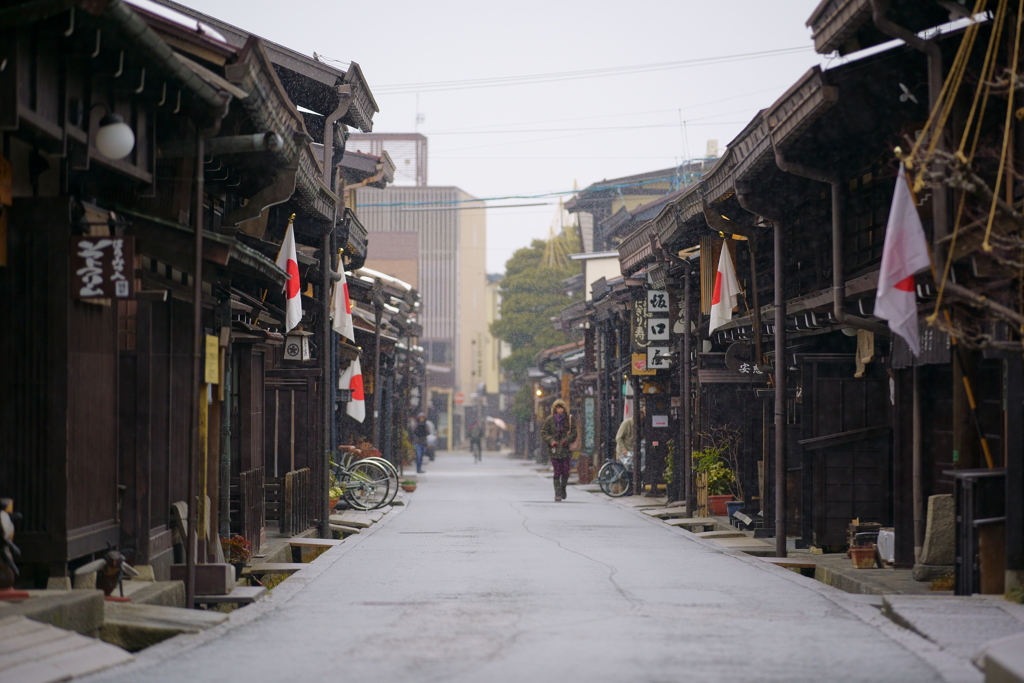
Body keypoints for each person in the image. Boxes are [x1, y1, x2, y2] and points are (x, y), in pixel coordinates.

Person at [540, 399, 578, 502]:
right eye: (557, 408)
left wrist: (567, 440)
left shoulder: (569, 419)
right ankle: (557, 493)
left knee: (565, 471)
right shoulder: (550, 420)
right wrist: (551, 440)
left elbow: (574, 432)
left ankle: (563, 488)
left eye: (561, 407)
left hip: (565, 449)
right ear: (555, 409)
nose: (559, 410)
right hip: (554, 450)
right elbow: (544, 433)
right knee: (557, 471)